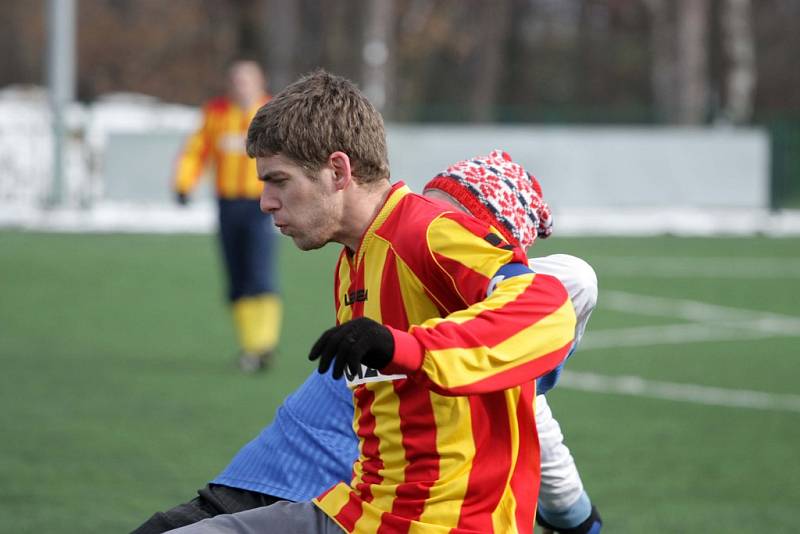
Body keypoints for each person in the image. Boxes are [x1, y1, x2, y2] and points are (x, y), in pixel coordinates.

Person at [164, 69, 576, 533]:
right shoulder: (352, 260)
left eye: (278, 181)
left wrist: (405, 347)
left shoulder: (427, 231)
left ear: (338, 171)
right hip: (363, 513)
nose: (266, 202)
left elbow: (546, 305)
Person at [173, 59, 281, 372]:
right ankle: (251, 346)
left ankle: (264, 343)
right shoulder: (215, 113)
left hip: (263, 203)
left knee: (260, 271)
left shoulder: (273, 112)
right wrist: (183, 183)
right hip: (227, 204)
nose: (240, 85)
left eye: (247, 79)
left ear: (259, 81)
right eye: (235, 79)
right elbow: (196, 150)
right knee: (236, 276)